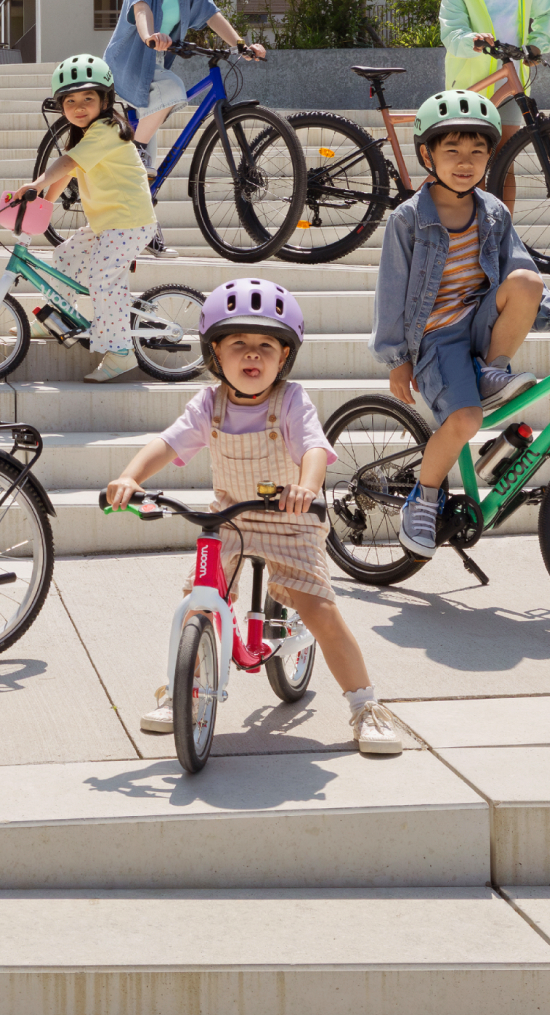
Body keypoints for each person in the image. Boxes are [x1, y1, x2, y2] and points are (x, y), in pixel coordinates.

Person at [105, 279, 406, 756]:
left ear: (283, 357)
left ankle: (365, 707)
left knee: (320, 611)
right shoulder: (209, 404)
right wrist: (129, 477)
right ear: (215, 354)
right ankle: (179, 688)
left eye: (266, 345)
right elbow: (168, 442)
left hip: (291, 519)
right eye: (238, 344)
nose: (252, 355)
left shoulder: (290, 400)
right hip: (231, 519)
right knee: (197, 603)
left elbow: (312, 446)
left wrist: (307, 486)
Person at [370, 89, 550, 563]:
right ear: (427, 155)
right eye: (451, 151)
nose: (465, 162)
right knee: (466, 421)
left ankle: (493, 370)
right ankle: (425, 496)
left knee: (528, 282)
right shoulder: (409, 219)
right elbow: (391, 291)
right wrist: (397, 359)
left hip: (479, 321)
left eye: (477, 151)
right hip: (436, 336)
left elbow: (518, 262)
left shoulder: (493, 211)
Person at [100, 0, 267, 256]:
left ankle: (145, 228)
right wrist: (149, 35)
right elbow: (141, 9)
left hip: (158, 59)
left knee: (151, 165)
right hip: (133, 58)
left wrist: (240, 45)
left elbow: (212, 15)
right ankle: (130, 153)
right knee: (174, 91)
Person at [14, 55, 160, 382]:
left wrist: (37, 184)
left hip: (129, 221)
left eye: (88, 99)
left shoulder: (107, 129)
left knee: (103, 277)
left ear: (105, 101)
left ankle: (121, 352)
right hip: (106, 223)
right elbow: (68, 174)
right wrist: (44, 206)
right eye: (70, 101)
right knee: (65, 254)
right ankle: (58, 315)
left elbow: (65, 165)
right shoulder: (85, 135)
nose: (79, 107)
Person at [436, 0, 550, 207]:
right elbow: (451, 34)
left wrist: (536, 44)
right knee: (471, 165)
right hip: (471, 87)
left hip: (510, 82)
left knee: (505, 164)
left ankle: (504, 238)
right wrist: (472, 40)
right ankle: (468, 235)